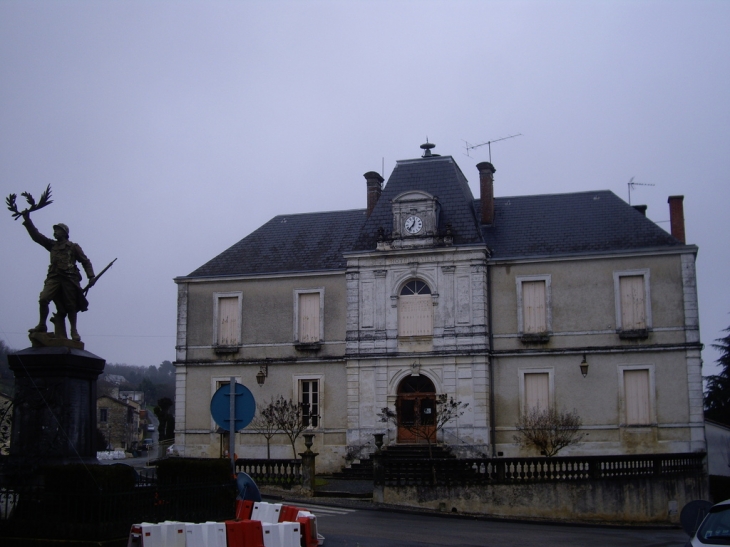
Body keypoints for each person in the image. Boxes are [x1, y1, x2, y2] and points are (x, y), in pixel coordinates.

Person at [22, 212, 95, 342]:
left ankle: (74, 330)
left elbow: (85, 261)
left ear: (65, 233)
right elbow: (37, 236)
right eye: (55, 230)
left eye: (58, 230)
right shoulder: (52, 245)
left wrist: (91, 276)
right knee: (44, 299)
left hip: (69, 278)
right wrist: (27, 220)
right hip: (54, 277)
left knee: (70, 306)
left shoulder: (73, 247)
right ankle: (42, 324)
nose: (55, 232)